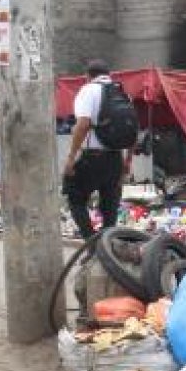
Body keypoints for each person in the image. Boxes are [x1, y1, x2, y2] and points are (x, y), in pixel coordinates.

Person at [63, 60, 132, 238]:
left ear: (88, 76)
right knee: (110, 207)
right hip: (116, 158)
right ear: (108, 75)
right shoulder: (122, 92)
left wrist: (71, 157)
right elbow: (131, 128)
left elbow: (83, 124)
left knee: (75, 197)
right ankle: (107, 248)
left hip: (92, 157)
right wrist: (127, 160)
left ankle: (91, 243)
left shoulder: (88, 90)